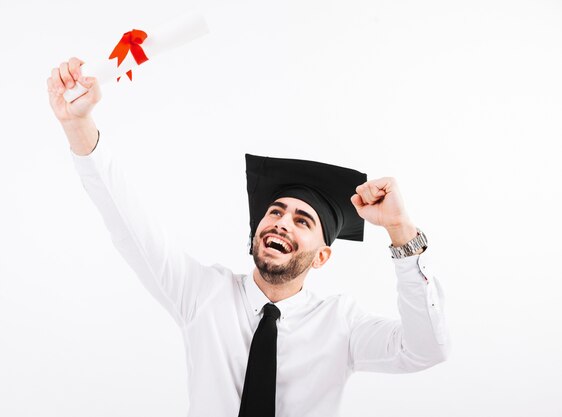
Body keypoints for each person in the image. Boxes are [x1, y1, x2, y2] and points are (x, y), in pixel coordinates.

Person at [47, 57, 449, 417]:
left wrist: (401, 232)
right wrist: (77, 124)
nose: (281, 222)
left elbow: (425, 349)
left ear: (323, 256)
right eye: (275, 212)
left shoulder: (341, 325)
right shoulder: (202, 294)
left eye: (302, 221)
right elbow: (129, 224)